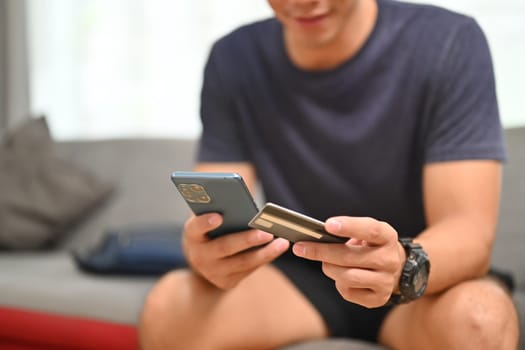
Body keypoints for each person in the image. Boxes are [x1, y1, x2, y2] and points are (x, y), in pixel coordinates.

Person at [139, 0, 520, 349]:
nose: (301, 3)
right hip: (300, 274)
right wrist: (203, 253)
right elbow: (215, 213)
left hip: (418, 276)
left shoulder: (449, 41)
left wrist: (400, 265)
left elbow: (469, 231)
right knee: (168, 306)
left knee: (481, 320)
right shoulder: (233, 57)